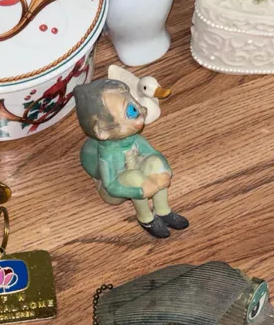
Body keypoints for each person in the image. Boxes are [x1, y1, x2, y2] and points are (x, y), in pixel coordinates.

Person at [75, 79, 189, 239]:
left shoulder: (134, 139)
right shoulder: (108, 154)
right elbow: (111, 186)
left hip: (137, 169)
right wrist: (138, 191)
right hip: (117, 190)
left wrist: (164, 171)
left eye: (135, 105)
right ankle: (146, 218)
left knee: (155, 163)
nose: (142, 111)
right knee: (134, 178)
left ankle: (163, 210)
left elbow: (154, 154)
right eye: (131, 111)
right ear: (102, 131)